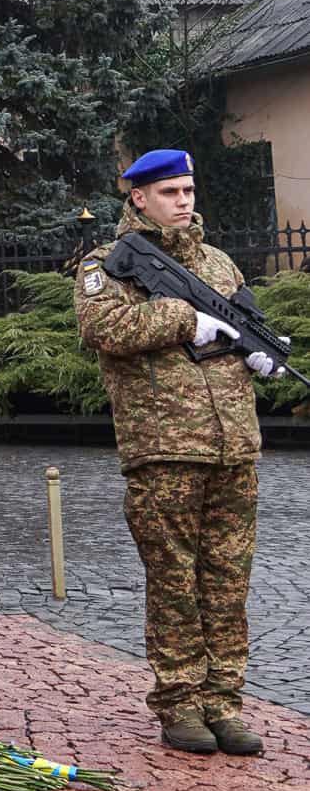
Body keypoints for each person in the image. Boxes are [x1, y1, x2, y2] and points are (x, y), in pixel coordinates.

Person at [75, 147, 284, 756]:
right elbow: (102, 329)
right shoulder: (106, 264)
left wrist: (259, 351)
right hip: (163, 448)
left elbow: (246, 324)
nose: (184, 201)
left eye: (189, 190)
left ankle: (225, 703)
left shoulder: (219, 265)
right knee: (173, 581)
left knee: (227, 582)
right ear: (138, 197)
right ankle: (180, 704)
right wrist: (182, 320)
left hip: (233, 447)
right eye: (170, 192)